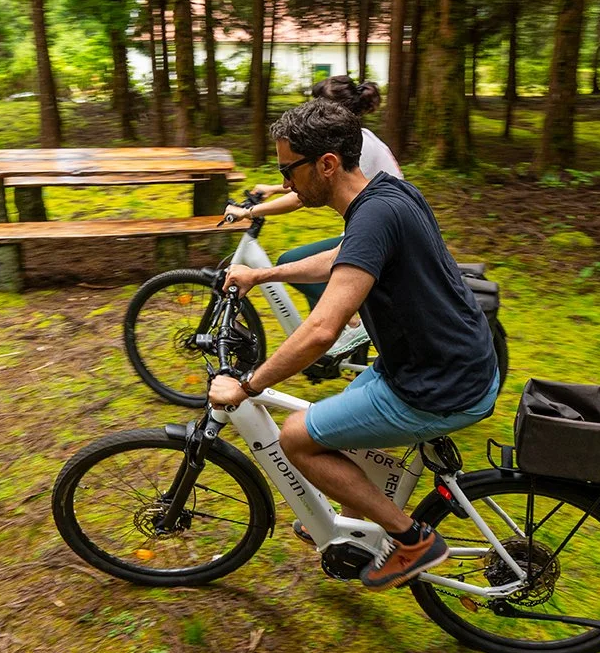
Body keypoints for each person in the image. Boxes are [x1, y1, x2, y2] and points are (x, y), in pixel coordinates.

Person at [208, 99, 500, 590]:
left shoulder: (374, 214)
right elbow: (343, 257)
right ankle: (359, 530)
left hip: (437, 385)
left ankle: (412, 540)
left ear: (326, 163)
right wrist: (263, 274)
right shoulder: (388, 196)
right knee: (341, 411)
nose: (284, 185)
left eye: (288, 171)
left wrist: (248, 384)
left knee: (296, 437)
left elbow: (323, 330)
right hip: (451, 361)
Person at [224, 75, 401, 314]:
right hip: (378, 229)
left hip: (376, 236)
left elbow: (301, 197)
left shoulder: (358, 146)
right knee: (305, 266)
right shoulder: (359, 138)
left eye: (316, 105)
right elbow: (315, 179)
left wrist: (249, 212)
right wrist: (274, 188)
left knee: (292, 262)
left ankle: (348, 319)